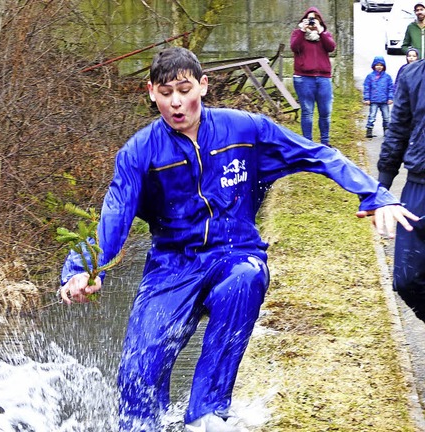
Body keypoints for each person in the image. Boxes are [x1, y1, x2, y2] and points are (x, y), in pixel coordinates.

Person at [59, 47, 417, 432]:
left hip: (236, 254)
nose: (177, 102)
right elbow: (114, 217)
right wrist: (82, 269)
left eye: (184, 89)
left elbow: (317, 155)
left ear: (203, 85)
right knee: (138, 373)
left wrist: (374, 194)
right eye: (166, 93)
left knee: (246, 278)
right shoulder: (139, 152)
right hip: (172, 264)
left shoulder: (244, 130)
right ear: (151, 92)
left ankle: (206, 414)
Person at [378, 53, 425, 321]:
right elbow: (397, 131)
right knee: (407, 280)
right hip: (418, 188)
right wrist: (379, 191)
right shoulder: (412, 75)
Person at [290, 7, 336, 146]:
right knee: (307, 112)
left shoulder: (324, 35)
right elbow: (294, 47)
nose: (311, 22)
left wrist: (321, 32)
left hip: (323, 78)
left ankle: (325, 142)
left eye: (314, 19)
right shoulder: (297, 34)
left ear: (319, 21)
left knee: (325, 112)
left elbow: (331, 47)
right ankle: (308, 143)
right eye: (309, 19)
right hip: (304, 78)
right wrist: (302, 31)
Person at [363, 56, 394, 138]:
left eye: (381, 65)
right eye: (377, 65)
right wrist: (367, 98)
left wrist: (390, 98)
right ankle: (369, 129)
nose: (379, 67)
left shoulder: (387, 77)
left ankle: (386, 130)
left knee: (386, 117)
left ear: (384, 66)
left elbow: (391, 88)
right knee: (372, 116)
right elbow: (367, 88)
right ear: (374, 66)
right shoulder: (370, 77)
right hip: (374, 100)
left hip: (384, 101)